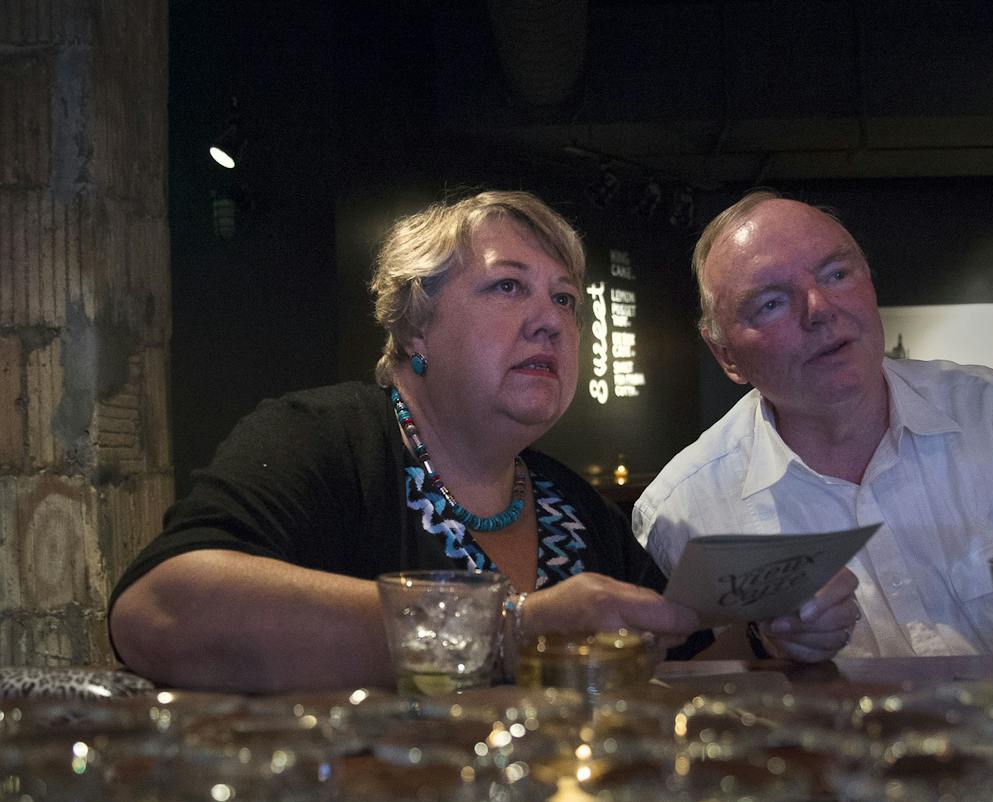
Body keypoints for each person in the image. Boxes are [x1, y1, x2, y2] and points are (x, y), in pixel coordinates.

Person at [110, 191, 716, 691]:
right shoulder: (324, 439)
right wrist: (511, 631)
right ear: (415, 325)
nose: (551, 319)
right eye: (508, 287)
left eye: (564, 299)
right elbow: (158, 613)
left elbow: (689, 666)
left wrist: (779, 632)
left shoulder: (574, 507)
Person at [633, 192, 993, 658]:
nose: (821, 310)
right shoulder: (684, 506)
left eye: (836, 275)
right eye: (771, 302)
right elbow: (700, 697)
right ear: (725, 355)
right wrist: (765, 643)